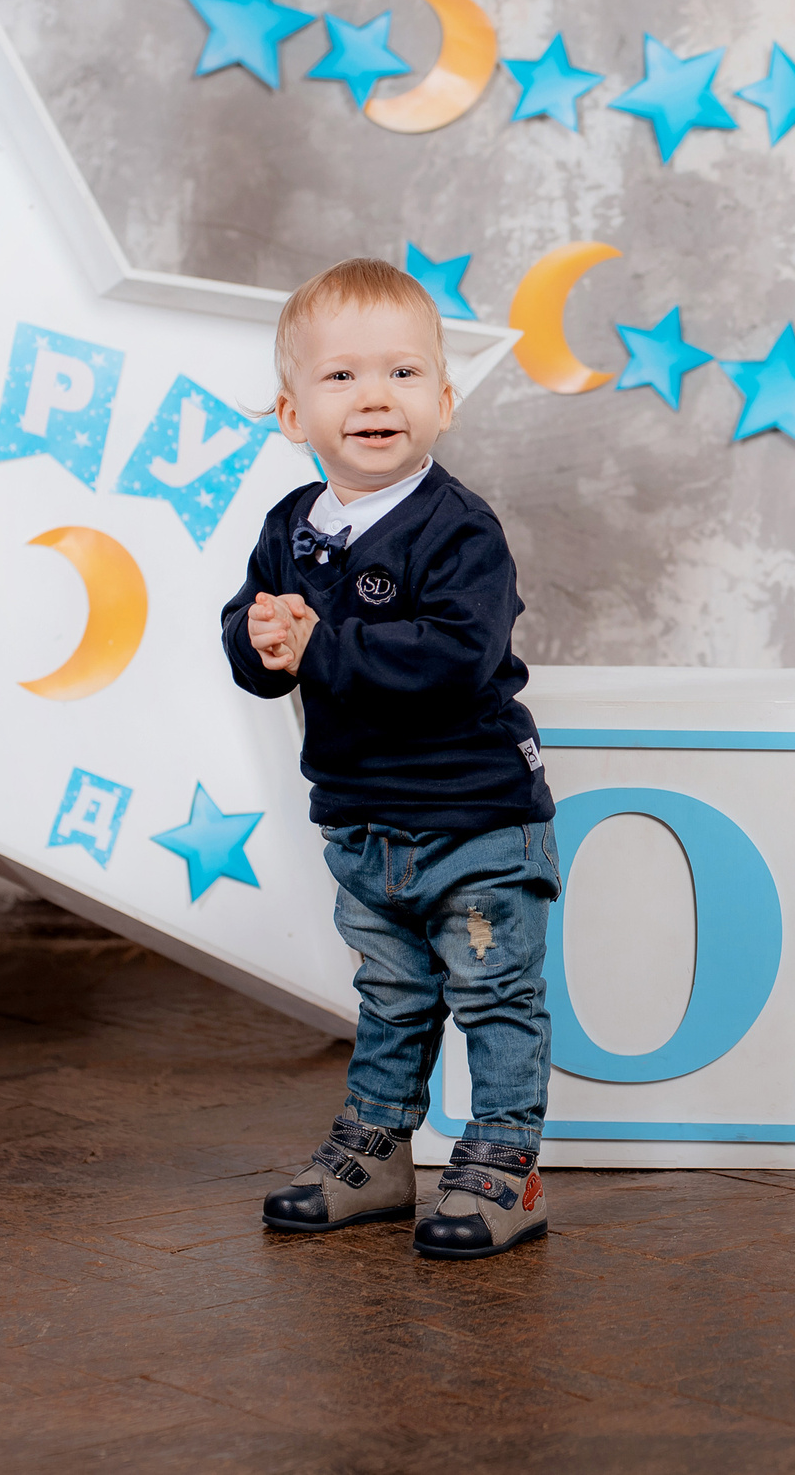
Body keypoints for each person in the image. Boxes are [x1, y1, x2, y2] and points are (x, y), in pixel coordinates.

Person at [221, 256, 559, 1259]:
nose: (375, 395)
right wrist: (263, 637)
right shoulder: (294, 529)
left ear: (445, 401)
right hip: (365, 821)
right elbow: (259, 653)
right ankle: (376, 1149)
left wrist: (323, 641)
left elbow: (455, 661)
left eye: (404, 374)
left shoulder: (457, 529)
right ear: (292, 413)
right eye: (343, 377)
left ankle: (504, 1158)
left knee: (494, 994)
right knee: (391, 992)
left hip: (475, 820)